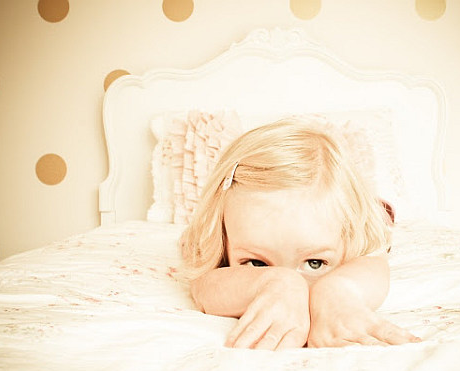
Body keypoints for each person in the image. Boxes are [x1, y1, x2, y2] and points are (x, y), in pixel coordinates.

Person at [180, 116, 420, 350]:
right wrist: (275, 283)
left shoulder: (361, 230)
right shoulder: (216, 233)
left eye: (315, 263)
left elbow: (374, 262)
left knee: (378, 219)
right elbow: (203, 284)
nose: (299, 287)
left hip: (375, 213)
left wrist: (337, 291)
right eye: (256, 263)